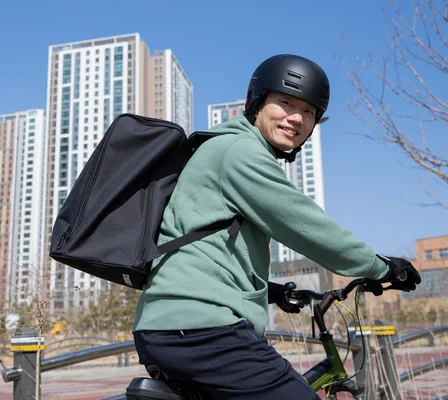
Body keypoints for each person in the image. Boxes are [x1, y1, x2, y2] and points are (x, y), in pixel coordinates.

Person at [132, 54, 421, 400]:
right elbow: (304, 224)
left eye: (310, 111)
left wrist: (273, 292)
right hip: (200, 328)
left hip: (176, 326)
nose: (297, 117)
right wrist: (382, 267)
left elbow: (207, 248)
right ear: (256, 103)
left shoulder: (227, 148)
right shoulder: (239, 151)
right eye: (285, 102)